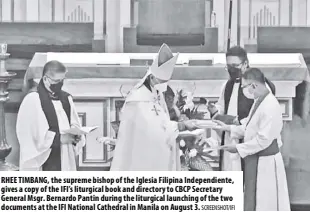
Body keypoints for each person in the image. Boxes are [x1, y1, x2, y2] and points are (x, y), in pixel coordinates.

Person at [110, 43, 197, 171]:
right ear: (152, 77)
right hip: (142, 157)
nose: (164, 86)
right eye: (162, 82)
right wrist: (181, 126)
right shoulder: (138, 99)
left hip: (155, 154)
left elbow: (162, 123)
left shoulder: (155, 93)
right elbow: (153, 130)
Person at [215, 68, 290, 211]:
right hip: (256, 159)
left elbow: (263, 139)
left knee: (266, 201)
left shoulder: (269, 105)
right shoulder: (259, 101)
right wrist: (228, 128)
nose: (244, 91)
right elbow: (248, 126)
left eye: (244, 87)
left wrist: (237, 148)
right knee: (254, 199)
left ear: (254, 85)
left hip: (265, 161)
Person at [208, 46, 276, 172]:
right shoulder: (227, 85)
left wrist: (237, 123)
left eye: (235, 65)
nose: (231, 70)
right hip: (230, 139)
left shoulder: (259, 86)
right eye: (229, 66)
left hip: (249, 143)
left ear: (245, 64)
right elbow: (222, 106)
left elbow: (261, 119)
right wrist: (215, 110)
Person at [16, 60, 85, 171]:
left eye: (62, 80)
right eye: (57, 81)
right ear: (45, 79)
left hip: (65, 153)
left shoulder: (66, 98)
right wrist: (59, 139)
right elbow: (29, 136)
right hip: (45, 160)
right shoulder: (33, 99)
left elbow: (75, 124)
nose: (60, 84)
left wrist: (77, 136)